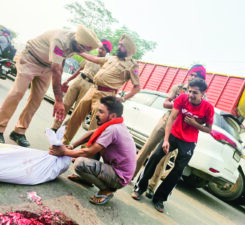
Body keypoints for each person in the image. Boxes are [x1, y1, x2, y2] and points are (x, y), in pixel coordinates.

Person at [0, 25, 100, 147]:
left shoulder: (76, 45)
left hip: (46, 67)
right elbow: (56, 69)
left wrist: (64, 82)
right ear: (77, 39)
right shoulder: (60, 39)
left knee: (36, 100)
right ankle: (0, 127)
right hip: (30, 58)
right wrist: (58, 100)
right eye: (82, 48)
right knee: (17, 93)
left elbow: (61, 62)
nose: (81, 51)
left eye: (85, 50)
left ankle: (19, 131)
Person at [132, 78, 214, 213]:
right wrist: (165, 140)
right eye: (190, 91)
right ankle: (140, 188)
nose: (191, 95)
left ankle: (159, 198)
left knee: (178, 170)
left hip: (189, 141)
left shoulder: (208, 108)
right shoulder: (182, 98)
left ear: (203, 93)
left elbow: (209, 129)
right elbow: (171, 117)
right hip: (174, 135)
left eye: (195, 93)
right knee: (155, 157)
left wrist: (196, 124)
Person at [50, 96, 136, 205]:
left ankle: (106, 190)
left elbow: (89, 152)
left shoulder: (113, 129)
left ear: (112, 116)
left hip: (119, 177)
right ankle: (88, 179)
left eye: (101, 112)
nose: (97, 114)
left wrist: (64, 152)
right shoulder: (114, 123)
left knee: (79, 163)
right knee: (93, 143)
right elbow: (91, 134)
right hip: (114, 170)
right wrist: (71, 146)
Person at [62, 34, 140, 145]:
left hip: (106, 96)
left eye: (121, 46)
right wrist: (79, 51)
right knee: (76, 117)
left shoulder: (132, 66)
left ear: (128, 48)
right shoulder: (112, 58)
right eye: (119, 45)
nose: (119, 47)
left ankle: (84, 153)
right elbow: (94, 58)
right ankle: (64, 142)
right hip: (93, 89)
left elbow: (137, 87)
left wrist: (123, 98)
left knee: (94, 126)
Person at [51, 39, 112, 131]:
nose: (100, 50)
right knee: (66, 104)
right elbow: (80, 69)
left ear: (107, 52)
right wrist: (68, 80)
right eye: (100, 48)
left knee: (77, 111)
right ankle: (54, 128)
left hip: (89, 86)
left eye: (103, 49)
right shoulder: (90, 57)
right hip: (79, 80)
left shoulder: (106, 64)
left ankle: (63, 130)